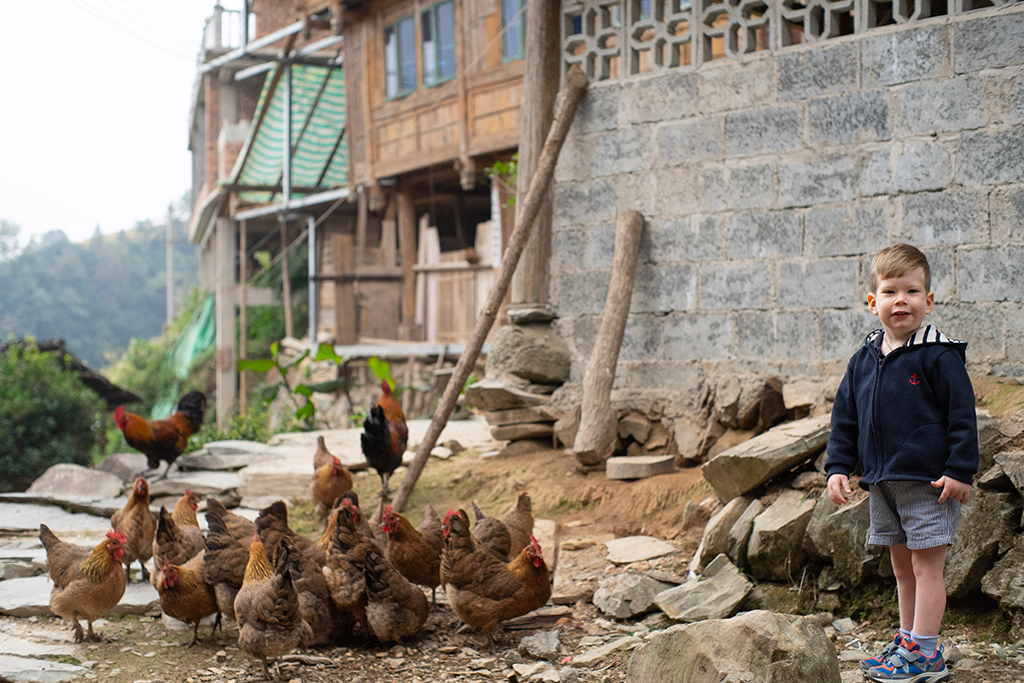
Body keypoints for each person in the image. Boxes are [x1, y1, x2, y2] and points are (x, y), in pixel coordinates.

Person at [825, 243, 978, 683]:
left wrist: (960, 469)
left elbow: (961, 416)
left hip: (929, 483)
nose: (902, 301)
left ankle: (926, 654)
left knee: (927, 566)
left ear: (928, 302)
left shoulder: (939, 355)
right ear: (873, 303)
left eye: (912, 291)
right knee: (901, 567)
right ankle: (909, 639)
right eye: (890, 291)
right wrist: (838, 467)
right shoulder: (863, 360)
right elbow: (845, 419)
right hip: (883, 483)